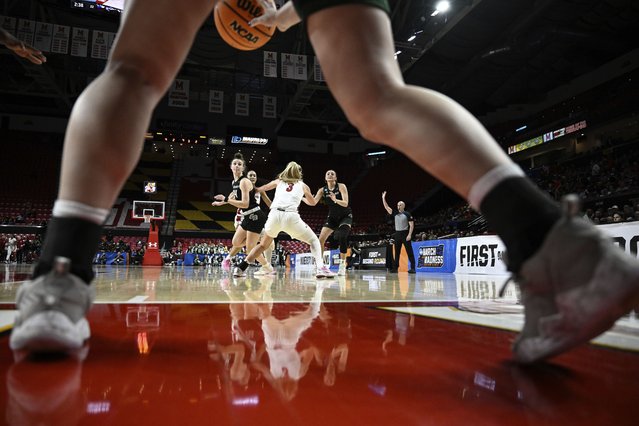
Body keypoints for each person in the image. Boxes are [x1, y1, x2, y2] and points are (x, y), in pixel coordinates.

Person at [9, 0, 639, 365]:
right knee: (377, 95)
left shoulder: (289, 189)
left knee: (136, 69)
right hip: (276, 218)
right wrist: (282, 16)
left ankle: (61, 278)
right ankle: (561, 248)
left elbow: (305, 199)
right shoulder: (272, 189)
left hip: (283, 222)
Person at [233, 161, 335, 278]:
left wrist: (245, 190)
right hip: (291, 217)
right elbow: (312, 203)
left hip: (274, 215)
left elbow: (259, 189)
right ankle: (321, 268)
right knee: (314, 241)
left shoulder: (279, 181)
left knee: (262, 245)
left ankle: (241, 267)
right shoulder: (303, 185)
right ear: (299, 173)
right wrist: (305, 197)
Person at [212, 154, 275, 275]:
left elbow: (245, 204)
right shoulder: (234, 182)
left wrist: (226, 199)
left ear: (243, 168)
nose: (237, 166)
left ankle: (267, 267)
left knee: (250, 249)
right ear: (231, 166)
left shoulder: (244, 182)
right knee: (235, 242)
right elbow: (233, 198)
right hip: (247, 216)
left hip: (255, 216)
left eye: (239, 164)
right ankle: (260, 243)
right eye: (235, 163)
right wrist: (222, 203)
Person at [311, 170, 353, 276]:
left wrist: (335, 199)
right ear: (325, 178)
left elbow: (345, 203)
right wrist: (303, 198)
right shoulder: (322, 190)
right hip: (332, 218)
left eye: (332, 174)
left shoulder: (341, 186)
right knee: (320, 240)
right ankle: (320, 265)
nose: (330, 175)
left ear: (335, 178)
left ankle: (342, 265)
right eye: (328, 174)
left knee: (342, 236)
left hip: (345, 216)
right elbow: (313, 202)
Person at [381, 191, 416, 274]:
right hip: (397, 234)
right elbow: (386, 207)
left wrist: (409, 235)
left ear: (403, 206)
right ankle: (395, 268)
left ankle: (413, 268)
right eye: (397, 205)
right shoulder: (395, 213)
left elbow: (412, 225)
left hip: (405, 234)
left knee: (409, 251)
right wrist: (383, 198)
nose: (398, 206)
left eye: (400, 205)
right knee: (397, 252)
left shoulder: (407, 214)